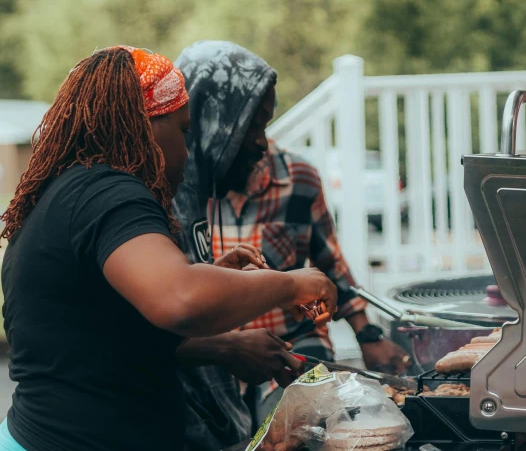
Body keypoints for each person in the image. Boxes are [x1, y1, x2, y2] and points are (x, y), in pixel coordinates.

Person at [0, 46, 338, 451]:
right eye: (183, 131)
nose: (187, 150)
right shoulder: (110, 192)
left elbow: (109, 334)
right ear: (143, 126)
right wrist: (290, 285)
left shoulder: (75, 189)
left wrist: (213, 276)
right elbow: (180, 299)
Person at [173, 41, 411, 427]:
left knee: (310, 429)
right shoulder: (182, 191)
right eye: (254, 124)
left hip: (294, 348)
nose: (261, 142)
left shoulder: (298, 179)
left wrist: (367, 334)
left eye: (265, 124)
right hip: (220, 354)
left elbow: (330, 262)